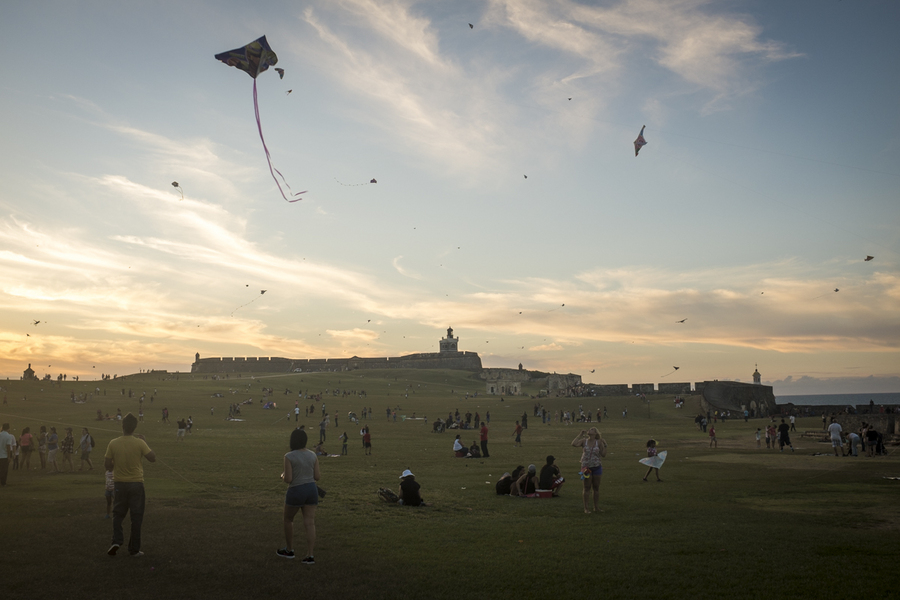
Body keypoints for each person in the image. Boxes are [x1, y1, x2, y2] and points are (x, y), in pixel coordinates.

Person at [105, 413, 156, 557]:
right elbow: (152, 458)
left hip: (120, 484)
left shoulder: (113, 443)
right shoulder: (139, 442)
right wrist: (145, 443)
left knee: (117, 514)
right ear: (134, 427)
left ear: (123, 426)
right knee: (136, 517)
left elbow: (107, 465)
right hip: (136, 484)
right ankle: (134, 549)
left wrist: (117, 463)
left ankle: (116, 541)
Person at [277, 428, 319, 564]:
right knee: (310, 522)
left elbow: (288, 479)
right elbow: (317, 476)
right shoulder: (313, 455)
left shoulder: (289, 456)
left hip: (296, 490)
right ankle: (310, 555)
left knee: (288, 519)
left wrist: (283, 476)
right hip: (312, 490)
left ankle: (289, 550)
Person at [572, 427, 607, 513]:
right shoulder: (584, 441)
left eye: (592, 429)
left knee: (596, 487)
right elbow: (573, 444)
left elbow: (603, 454)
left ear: (595, 433)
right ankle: (586, 508)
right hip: (586, 468)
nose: (589, 430)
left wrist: (605, 445)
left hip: (597, 467)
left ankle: (596, 507)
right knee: (586, 487)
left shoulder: (598, 442)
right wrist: (580, 434)